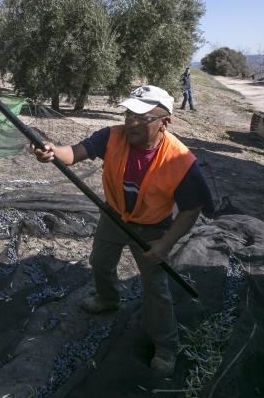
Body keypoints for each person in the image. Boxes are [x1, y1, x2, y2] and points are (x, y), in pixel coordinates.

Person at [30, 85, 213, 376]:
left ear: (165, 122)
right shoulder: (112, 136)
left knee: (155, 288)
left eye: (142, 117)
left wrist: (164, 244)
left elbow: (192, 210)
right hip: (114, 216)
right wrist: (53, 152)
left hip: (153, 228)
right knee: (100, 263)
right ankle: (108, 300)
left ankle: (166, 346)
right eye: (129, 113)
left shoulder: (181, 161)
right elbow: (75, 152)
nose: (131, 122)